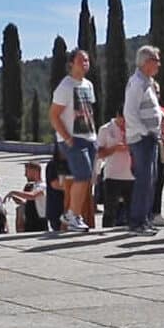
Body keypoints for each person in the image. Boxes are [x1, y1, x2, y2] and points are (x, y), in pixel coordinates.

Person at [50, 49, 98, 233]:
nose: (85, 63)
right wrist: (67, 138)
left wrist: (94, 137)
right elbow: (54, 115)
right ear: (71, 64)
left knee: (86, 178)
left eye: (87, 60)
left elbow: (88, 111)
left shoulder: (88, 85)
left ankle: (73, 214)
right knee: (82, 175)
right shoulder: (65, 86)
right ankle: (73, 215)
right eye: (81, 60)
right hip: (73, 138)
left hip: (88, 136)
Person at [124, 46, 164, 236]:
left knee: (151, 179)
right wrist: (144, 132)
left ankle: (145, 219)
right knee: (144, 180)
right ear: (145, 62)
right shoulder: (137, 83)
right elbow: (130, 112)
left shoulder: (148, 82)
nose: (159, 64)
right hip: (142, 139)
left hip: (151, 137)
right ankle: (137, 222)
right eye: (156, 60)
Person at [97, 114, 133, 228]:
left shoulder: (133, 127)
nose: (124, 123)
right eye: (123, 120)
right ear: (118, 116)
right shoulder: (105, 129)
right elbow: (99, 153)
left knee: (132, 210)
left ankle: (133, 229)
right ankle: (106, 232)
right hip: (112, 175)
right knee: (110, 210)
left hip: (132, 174)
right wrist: (114, 149)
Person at [6, 162, 48, 233]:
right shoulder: (34, 186)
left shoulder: (42, 186)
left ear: (35, 171)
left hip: (39, 224)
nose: (25, 175)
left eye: (27, 172)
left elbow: (32, 196)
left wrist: (13, 192)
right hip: (29, 223)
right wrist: (21, 201)